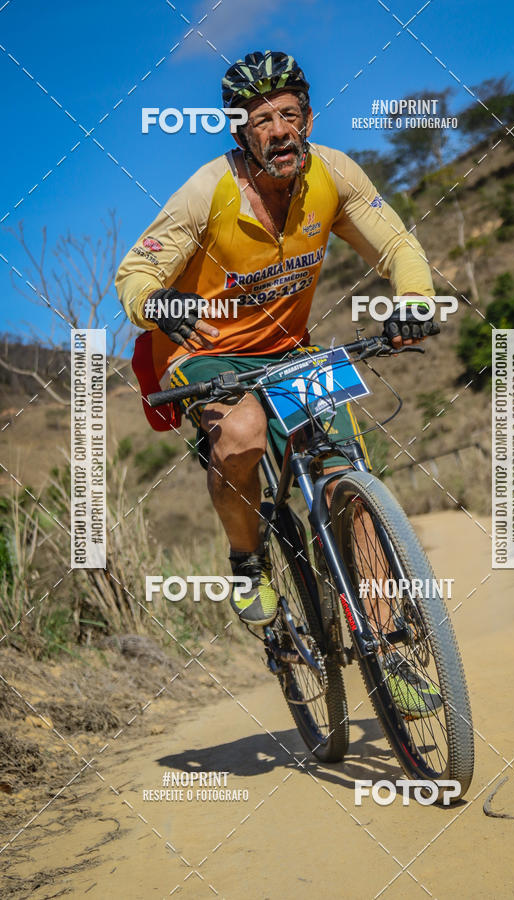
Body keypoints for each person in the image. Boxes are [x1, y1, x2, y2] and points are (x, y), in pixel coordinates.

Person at [115, 50, 440, 717]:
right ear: (241, 134)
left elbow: (398, 245)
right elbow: (134, 274)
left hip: (290, 349)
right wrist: (162, 305)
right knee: (242, 434)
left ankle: (386, 644)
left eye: (290, 114)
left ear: (309, 118)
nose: (281, 129)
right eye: (262, 120)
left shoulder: (333, 175)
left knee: (347, 476)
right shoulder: (209, 191)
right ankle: (247, 561)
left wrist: (412, 298)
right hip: (207, 353)